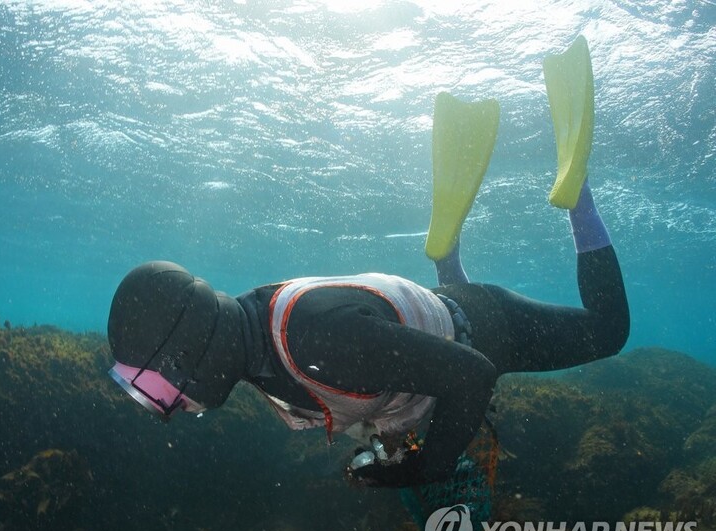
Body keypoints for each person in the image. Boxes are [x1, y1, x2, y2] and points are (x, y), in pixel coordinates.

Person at [106, 37, 629, 488]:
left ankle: (576, 192)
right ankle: (446, 255)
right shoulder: (252, 331)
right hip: (446, 317)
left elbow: (473, 375)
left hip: (489, 328)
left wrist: (430, 468)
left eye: (154, 390)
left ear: (188, 355)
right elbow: (366, 376)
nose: (165, 408)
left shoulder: (315, 343)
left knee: (608, 332)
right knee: (445, 337)